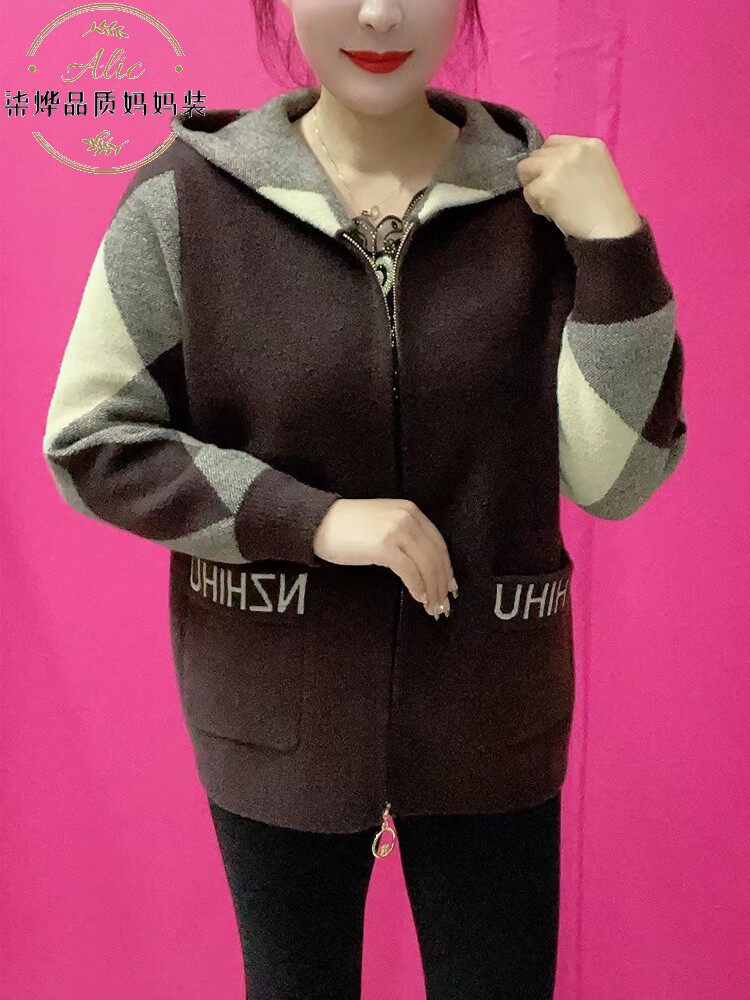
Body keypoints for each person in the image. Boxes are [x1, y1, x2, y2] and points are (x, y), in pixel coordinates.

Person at [41, 1, 687, 997]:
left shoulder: (542, 203)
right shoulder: (187, 200)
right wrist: (315, 520)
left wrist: (615, 246)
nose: (380, 12)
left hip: (494, 713)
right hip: (272, 711)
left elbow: (618, 478)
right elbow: (92, 440)